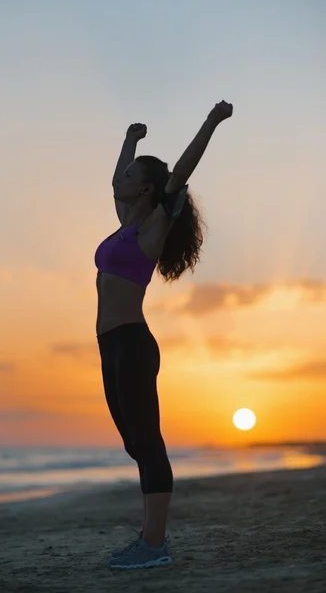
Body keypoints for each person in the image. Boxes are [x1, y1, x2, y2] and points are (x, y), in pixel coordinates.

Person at [94, 100, 233, 569]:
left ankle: (155, 544)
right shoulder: (123, 225)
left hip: (133, 341)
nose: (123, 181)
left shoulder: (153, 227)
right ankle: (151, 536)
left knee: (148, 440)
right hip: (108, 345)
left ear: (148, 187)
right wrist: (131, 140)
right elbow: (115, 182)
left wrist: (211, 122)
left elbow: (184, 169)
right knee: (134, 442)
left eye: (133, 174)